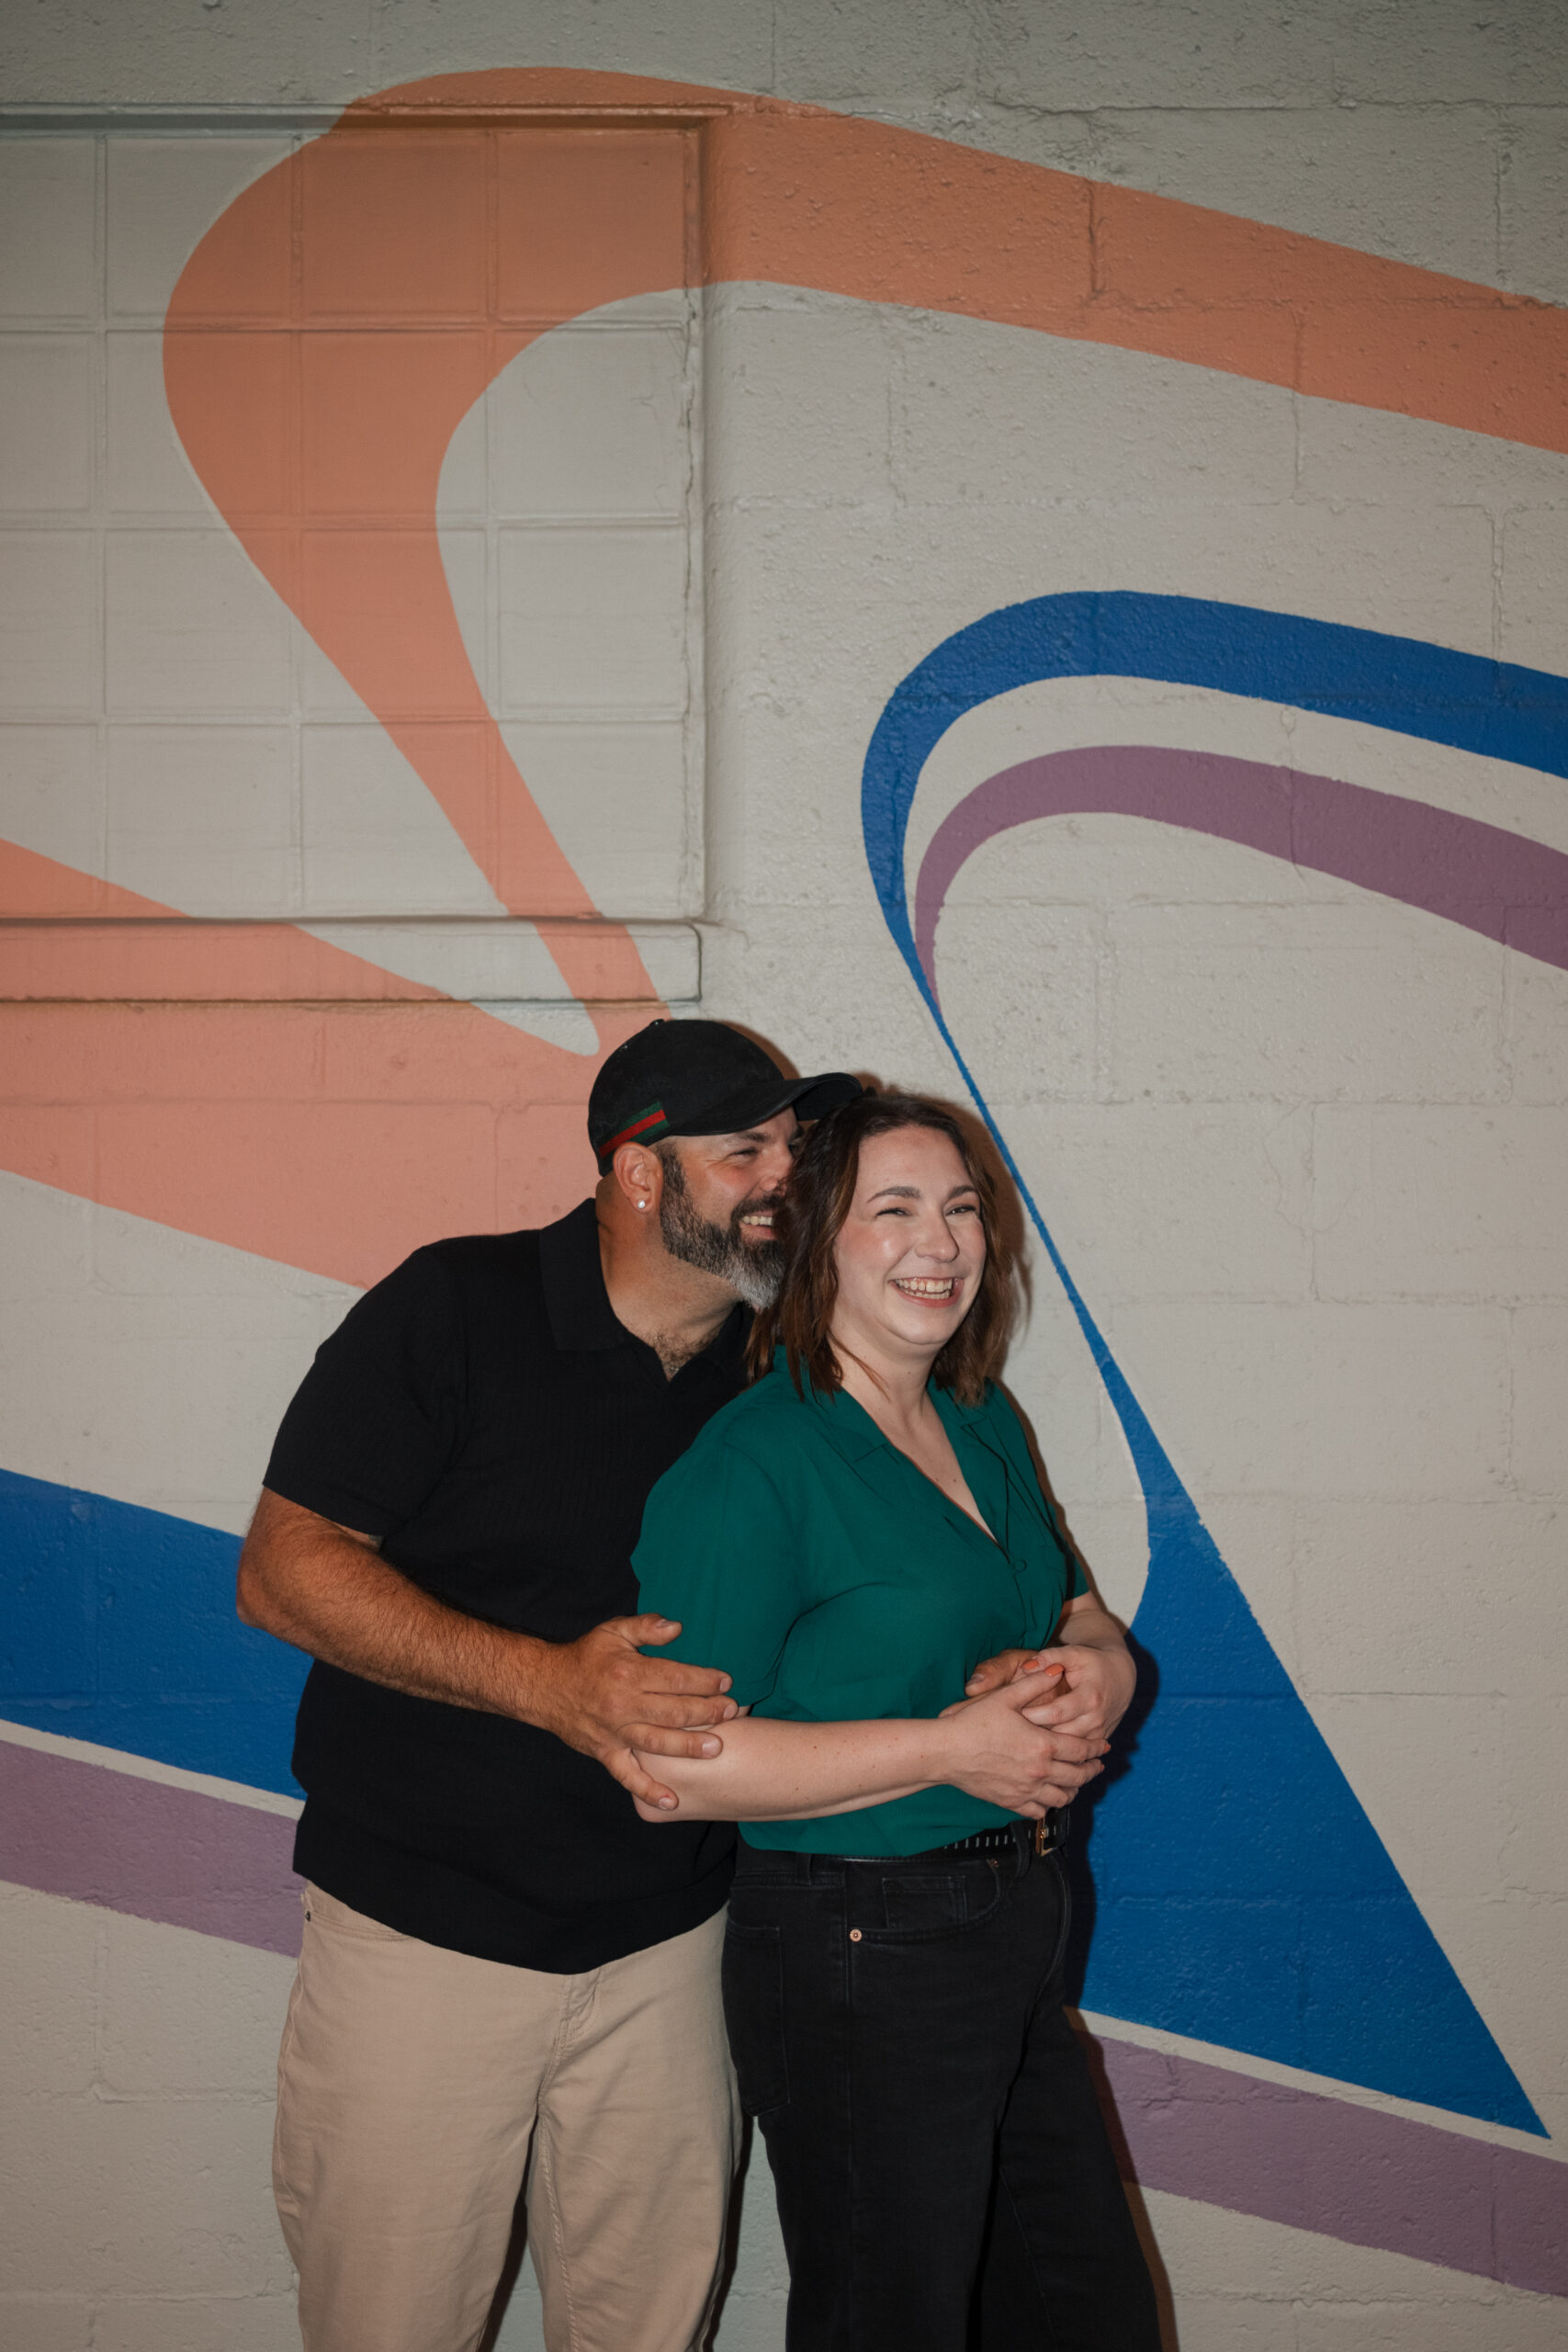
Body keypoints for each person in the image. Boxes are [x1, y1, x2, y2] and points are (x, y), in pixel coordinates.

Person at [236, 1019, 871, 2352]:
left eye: (794, 1152)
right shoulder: (455, 1308)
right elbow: (285, 1574)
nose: (786, 1182)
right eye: (746, 1148)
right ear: (640, 1173)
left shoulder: (781, 1376)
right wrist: (551, 1688)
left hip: (673, 1952)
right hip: (424, 1945)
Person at [632, 1090, 1161, 2351]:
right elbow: (671, 1767)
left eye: (964, 1209)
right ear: (815, 1242)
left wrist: (1100, 1675)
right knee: (894, 2323)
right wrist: (950, 1747)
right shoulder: (750, 1466)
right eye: (897, 1210)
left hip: (1014, 1927)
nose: (945, 1242)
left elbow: (1080, 1615)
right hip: (860, 1944)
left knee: (1089, 2318)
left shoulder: (977, 1415)